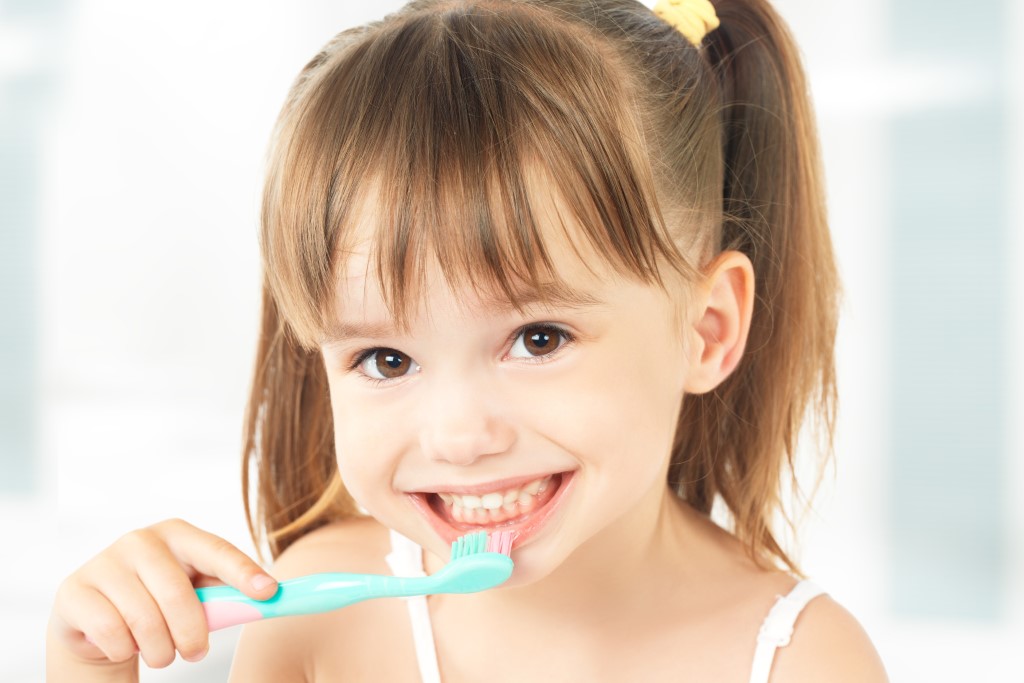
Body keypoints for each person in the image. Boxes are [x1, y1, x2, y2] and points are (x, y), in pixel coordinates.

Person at [47, 0, 890, 680]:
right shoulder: (326, 618)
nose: (458, 434)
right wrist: (92, 666)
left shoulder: (803, 662)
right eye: (387, 359)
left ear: (706, 330)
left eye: (538, 337)